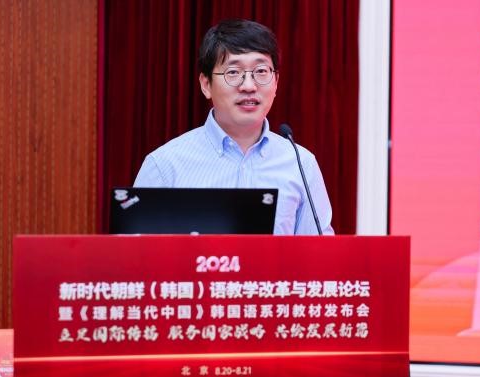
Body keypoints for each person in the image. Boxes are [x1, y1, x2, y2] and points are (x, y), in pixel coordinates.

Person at [134, 19, 333, 235]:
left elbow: (319, 253)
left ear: (276, 82)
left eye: (261, 71)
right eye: (233, 72)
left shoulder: (301, 164)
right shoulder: (165, 165)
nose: (249, 86)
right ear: (206, 84)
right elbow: (136, 252)